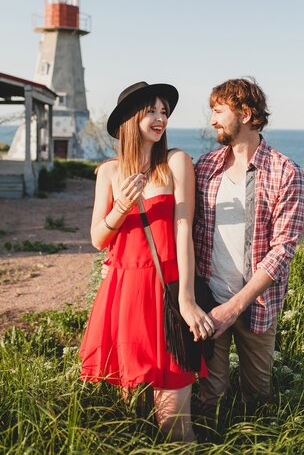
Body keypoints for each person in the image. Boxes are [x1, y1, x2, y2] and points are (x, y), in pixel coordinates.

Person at [80, 81, 214, 443]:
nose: (160, 118)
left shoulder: (175, 162)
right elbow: (97, 239)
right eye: (152, 110)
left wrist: (187, 299)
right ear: (129, 118)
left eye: (164, 112)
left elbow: (183, 229)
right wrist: (121, 207)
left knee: (172, 420)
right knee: (131, 413)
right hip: (125, 295)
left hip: (168, 291)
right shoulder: (108, 172)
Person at [193, 77, 304, 425]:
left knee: (257, 396)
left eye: (218, 111)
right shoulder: (204, 167)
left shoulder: (287, 173)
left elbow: (283, 250)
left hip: (256, 305)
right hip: (208, 302)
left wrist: (235, 306)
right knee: (208, 395)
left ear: (245, 112)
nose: (212, 120)